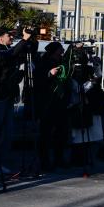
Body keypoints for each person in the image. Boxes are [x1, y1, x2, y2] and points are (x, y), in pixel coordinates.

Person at [0, 26, 35, 177]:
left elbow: (18, 54)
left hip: (7, 95)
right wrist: (24, 40)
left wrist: (29, 40)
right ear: (0, 38)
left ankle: (0, 163)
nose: (11, 38)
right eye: (8, 35)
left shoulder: (6, 49)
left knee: (7, 132)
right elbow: (10, 55)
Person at [33, 41, 69, 171]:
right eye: (60, 49)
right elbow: (38, 80)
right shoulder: (44, 63)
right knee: (46, 134)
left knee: (61, 133)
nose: (62, 52)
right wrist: (49, 74)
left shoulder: (63, 62)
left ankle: (59, 159)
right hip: (47, 103)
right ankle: (45, 161)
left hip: (61, 102)